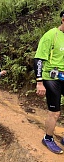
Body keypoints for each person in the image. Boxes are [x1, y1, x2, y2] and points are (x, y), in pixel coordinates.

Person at [34, 11, 64, 154]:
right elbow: (38, 59)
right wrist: (39, 82)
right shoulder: (51, 35)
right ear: (63, 20)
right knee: (55, 112)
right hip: (51, 78)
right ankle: (48, 138)